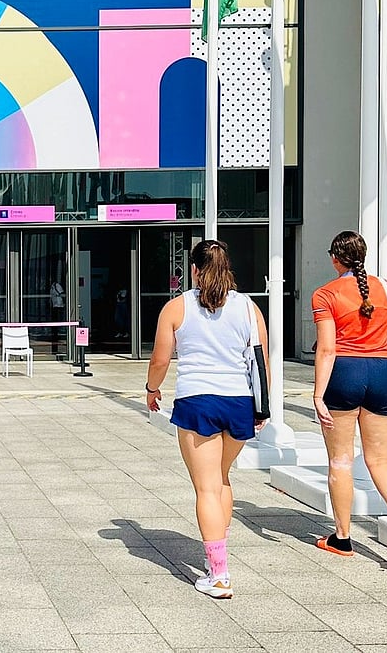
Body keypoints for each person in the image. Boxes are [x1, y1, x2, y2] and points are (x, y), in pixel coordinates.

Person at [145, 240, 269, 600]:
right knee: (222, 478)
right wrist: (262, 409)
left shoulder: (176, 308)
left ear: (195, 270)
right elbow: (260, 362)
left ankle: (218, 573)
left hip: (198, 402)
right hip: (239, 402)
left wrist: (152, 389)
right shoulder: (248, 308)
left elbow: (160, 360)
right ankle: (218, 554)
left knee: (206, 488)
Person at [312, 231, 387, 572]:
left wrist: (318, 394)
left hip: (344, 374)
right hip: (383, 374)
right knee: (381, 461)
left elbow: (327, 349)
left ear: (335, 258)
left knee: (341, 461)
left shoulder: (326, 294)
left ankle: (343, 538)